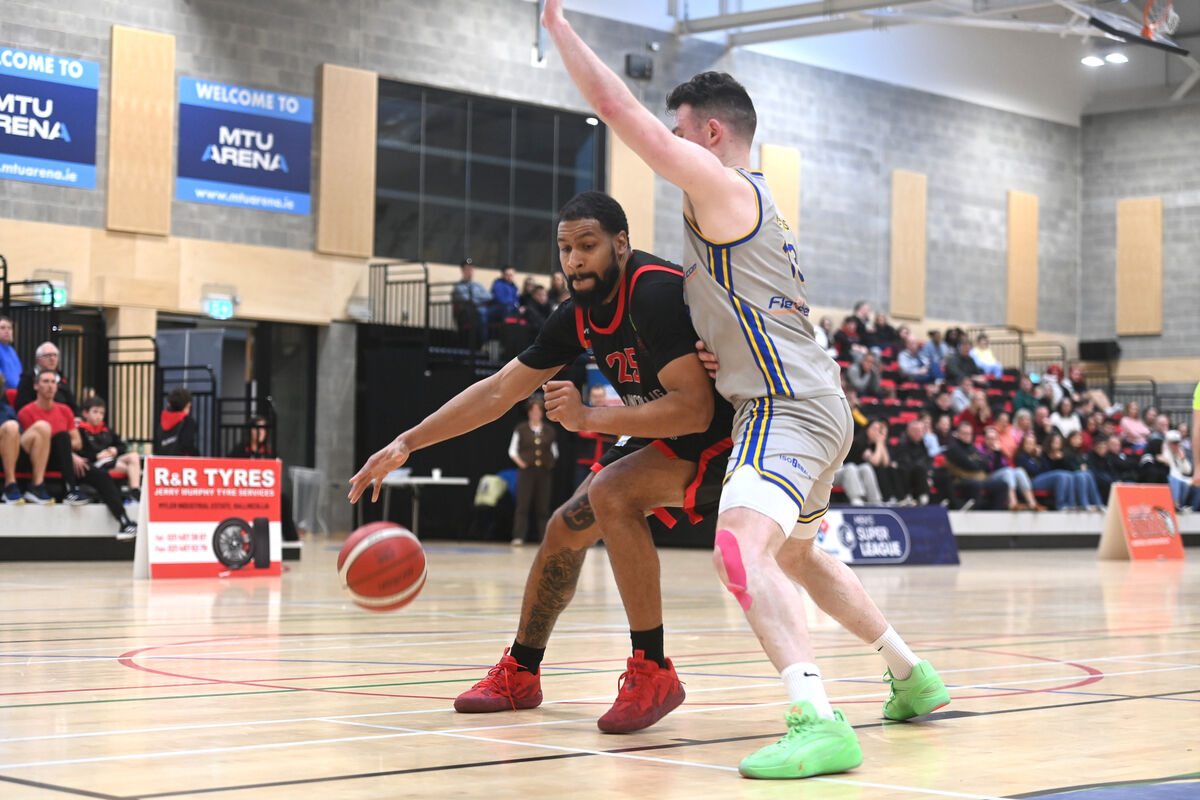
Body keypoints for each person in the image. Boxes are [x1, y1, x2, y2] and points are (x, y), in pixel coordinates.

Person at [540, 3, 948, 778]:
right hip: (823, 406)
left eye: (681, 132)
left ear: (712, 136)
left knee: (739, 545)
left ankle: (815, 719)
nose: (673, 144)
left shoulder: (722, 189)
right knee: (798, 554)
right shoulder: (758, 208)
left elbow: (617, 111)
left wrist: (559, 26)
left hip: (783, 409)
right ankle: (910, 674)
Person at [350, 191, 735, 735]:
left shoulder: (652, 293)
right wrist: (407, 443)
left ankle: (654, 671)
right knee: (564, 529)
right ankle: (522, 673)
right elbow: (499, 391)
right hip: (661, 422)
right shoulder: (577, 314)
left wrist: (589, 419)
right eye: (565, 248)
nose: (574, 259)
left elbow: (696, 410)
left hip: (727, 431)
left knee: (614, 493)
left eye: (588, 246)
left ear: (620, 245)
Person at [18, 371, 135, 536]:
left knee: (101, 475)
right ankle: (70, 489)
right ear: (36, 386)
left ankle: (124, 522)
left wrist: (67, 452)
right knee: (61, 437)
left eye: (53, 382)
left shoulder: (65, 410)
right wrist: (67, 451)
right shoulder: (26, 412)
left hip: (67, 460)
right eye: (45, 381)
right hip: (40, 460)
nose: (51, 385)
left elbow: (77, 442)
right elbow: (32, 444)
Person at [508, 397, 558, 546]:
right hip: (526, 472)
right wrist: (521, 463)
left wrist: (550, 462)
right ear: (529, 412)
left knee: (543, 506)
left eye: (539, 410)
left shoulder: (549, 430)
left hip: (543, 471)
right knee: (523, 505)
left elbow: (554, 451)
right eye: (533, 410)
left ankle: (544, 537)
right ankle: (518, 536)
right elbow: (512, 450)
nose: (536, 413)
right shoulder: (521, 429)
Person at [78, 396, 141, 498]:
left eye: (101, 413)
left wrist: (115, 450)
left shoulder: (106, 429)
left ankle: (135, 491)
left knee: (134, 456)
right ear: (85, 413)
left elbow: (122, 446)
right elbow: (80, 452)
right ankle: (133, 494)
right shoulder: (80, 430)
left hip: (111, 459)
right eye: (95, 412)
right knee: (127, 468)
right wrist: (97, 456)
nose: (99, 416)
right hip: (95, 464)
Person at [979, 426, 1042, 510]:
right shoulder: (980, 450)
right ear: (985, 439)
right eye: (989, 439)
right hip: (986, 477)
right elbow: (989, 468)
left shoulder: (999, 451)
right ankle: (1012, 502)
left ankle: (1032, 503)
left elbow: (1003, 466)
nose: (991, 441)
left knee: (1019, 471)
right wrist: (997, 454)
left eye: (993, 439)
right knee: (1008, 471)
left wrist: (998, 453)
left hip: (999, 475)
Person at [14, 341, 78, 414]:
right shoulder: (28, 378)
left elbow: (73, 405)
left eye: (55, 355)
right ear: (38, 359)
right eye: (48, 355)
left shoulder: (61, 378)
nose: (52, 359)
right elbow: (22, 406)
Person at [450, 259, 492, 343]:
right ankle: (483, 342)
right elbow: (467, 299)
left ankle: (485, 342)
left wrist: (474, 297)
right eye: (467, 269)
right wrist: (479, 299)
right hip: (466, 315)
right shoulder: (458, 287)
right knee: (482, 313)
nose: (470, 271)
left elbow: (489, 296)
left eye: (471, 269)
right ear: (462, 271)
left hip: (479, 312)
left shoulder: (477, 285)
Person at [1163, 430, 1200, 511]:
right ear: (1168, 443)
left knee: (1198, 486)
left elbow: (1188, 470)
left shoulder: (1179, 453)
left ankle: (1194, 509)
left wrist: (1183, 459)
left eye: (1177, 443)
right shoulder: (1165, 452)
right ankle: (1178, 506)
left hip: (1180, 477)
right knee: (1181, 483)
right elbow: (1172, 471)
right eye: (1174, 443)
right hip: (1171, 478)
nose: (1176, 445)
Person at [0, 375, 22, 503]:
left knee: (12, 426)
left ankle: (10, 485)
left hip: (8, 450)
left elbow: (19, 434)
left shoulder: (7, 410)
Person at [158, 387, 198, 456]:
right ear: (188, 405)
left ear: (169, 404)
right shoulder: (187, 421)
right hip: (182, 463)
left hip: (163, 462)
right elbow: (187, 444)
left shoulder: (162, 422)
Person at [0, 316, 20, 391]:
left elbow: (19, 372)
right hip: (3, 394)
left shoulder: (11, 350)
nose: (7, 331)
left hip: (16, 392)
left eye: (10, 328)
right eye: (2, 328)